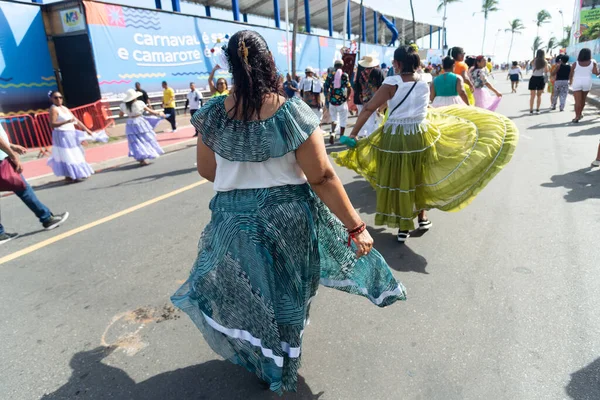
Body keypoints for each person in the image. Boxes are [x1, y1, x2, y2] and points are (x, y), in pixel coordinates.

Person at [170, 30, 405, 395]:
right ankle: (283, 361)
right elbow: (322, 176)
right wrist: (356, 226)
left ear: (231, 66)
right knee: (287, 293)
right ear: (269, 64)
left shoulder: (212, 114)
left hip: (233, 219)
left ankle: (263, 356)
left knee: (249, 290)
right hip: (287, 217)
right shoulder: (291, 110)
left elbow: (207, 170)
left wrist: (242, 182)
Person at [333, 45, 518, 243]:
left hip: (395, 136)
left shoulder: (391, 83)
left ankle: (403, 227)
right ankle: (422, 217)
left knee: (399, 179)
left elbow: (369, 107)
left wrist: (353, 134)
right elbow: (424, 106)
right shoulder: (425, 81)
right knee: (418, 176)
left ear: (397, 63)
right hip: (420, 136)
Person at [0, 124, 68, 244]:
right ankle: (47, 218)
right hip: (1, 161)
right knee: (23, 189)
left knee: (23, 189)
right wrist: (12, 155)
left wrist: (12, 146)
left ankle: (0, 234)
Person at [47, 91, 95, 182]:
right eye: (56, 98)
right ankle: (71, 174)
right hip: (62, 134)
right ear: (51, 99)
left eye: (60, 97)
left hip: (71, 133)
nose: (59, 99)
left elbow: (76, 120)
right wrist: (66, 122)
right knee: (67, 155)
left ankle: (76, 173)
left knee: (76, 153)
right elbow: (52, 124)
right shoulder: (53, 109)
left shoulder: (64, 108)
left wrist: (86, 130)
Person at [119, 89, 165, 166]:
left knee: (135, 141)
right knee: (145, 139)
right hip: (139, 122)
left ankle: (141, 158)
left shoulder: (123, 105)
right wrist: (159, 113)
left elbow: (120, 115)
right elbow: (150, 111)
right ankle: (147, 153)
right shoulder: (139, 103)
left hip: (130, 123)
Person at [353, 56, 385, 138]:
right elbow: (382, 86)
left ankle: (368, 137)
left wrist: (361, 97)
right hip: (377, 98)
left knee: (368, 119)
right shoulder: (378, 72)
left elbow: (357, 87)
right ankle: (375, 137)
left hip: (365, 99)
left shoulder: (361, 73)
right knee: (377, 119)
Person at [324, 60, 352, 145]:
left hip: (332, 101)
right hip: (342, 102)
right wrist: (348, 97)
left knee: (334, 119)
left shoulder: (329, 75)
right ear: (342, 65)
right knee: (343, 120)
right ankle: (341, 138)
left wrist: (327, 97)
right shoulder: (344, 75)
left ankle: (332, 133)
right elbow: (349, 87)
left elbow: (325, 87)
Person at [570, 48, 598, 123]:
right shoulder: (593, 62)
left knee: (577, 101)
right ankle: (580, 113)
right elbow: (596, 73)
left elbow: (571, 74)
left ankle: (577, 117)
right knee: (583, 99)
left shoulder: (575, 63)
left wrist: (570, 81)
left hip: (577, 82)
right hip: (587, 82)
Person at [528, 50, 550, 115]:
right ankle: (537, 109)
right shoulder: (545, 61)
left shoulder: (534, 61)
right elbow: (546, 71)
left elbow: (530, 63)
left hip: (533, 78)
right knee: (539, 96)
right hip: (540, 78)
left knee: (532, 96)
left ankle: (531, 110)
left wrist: (535, 58)